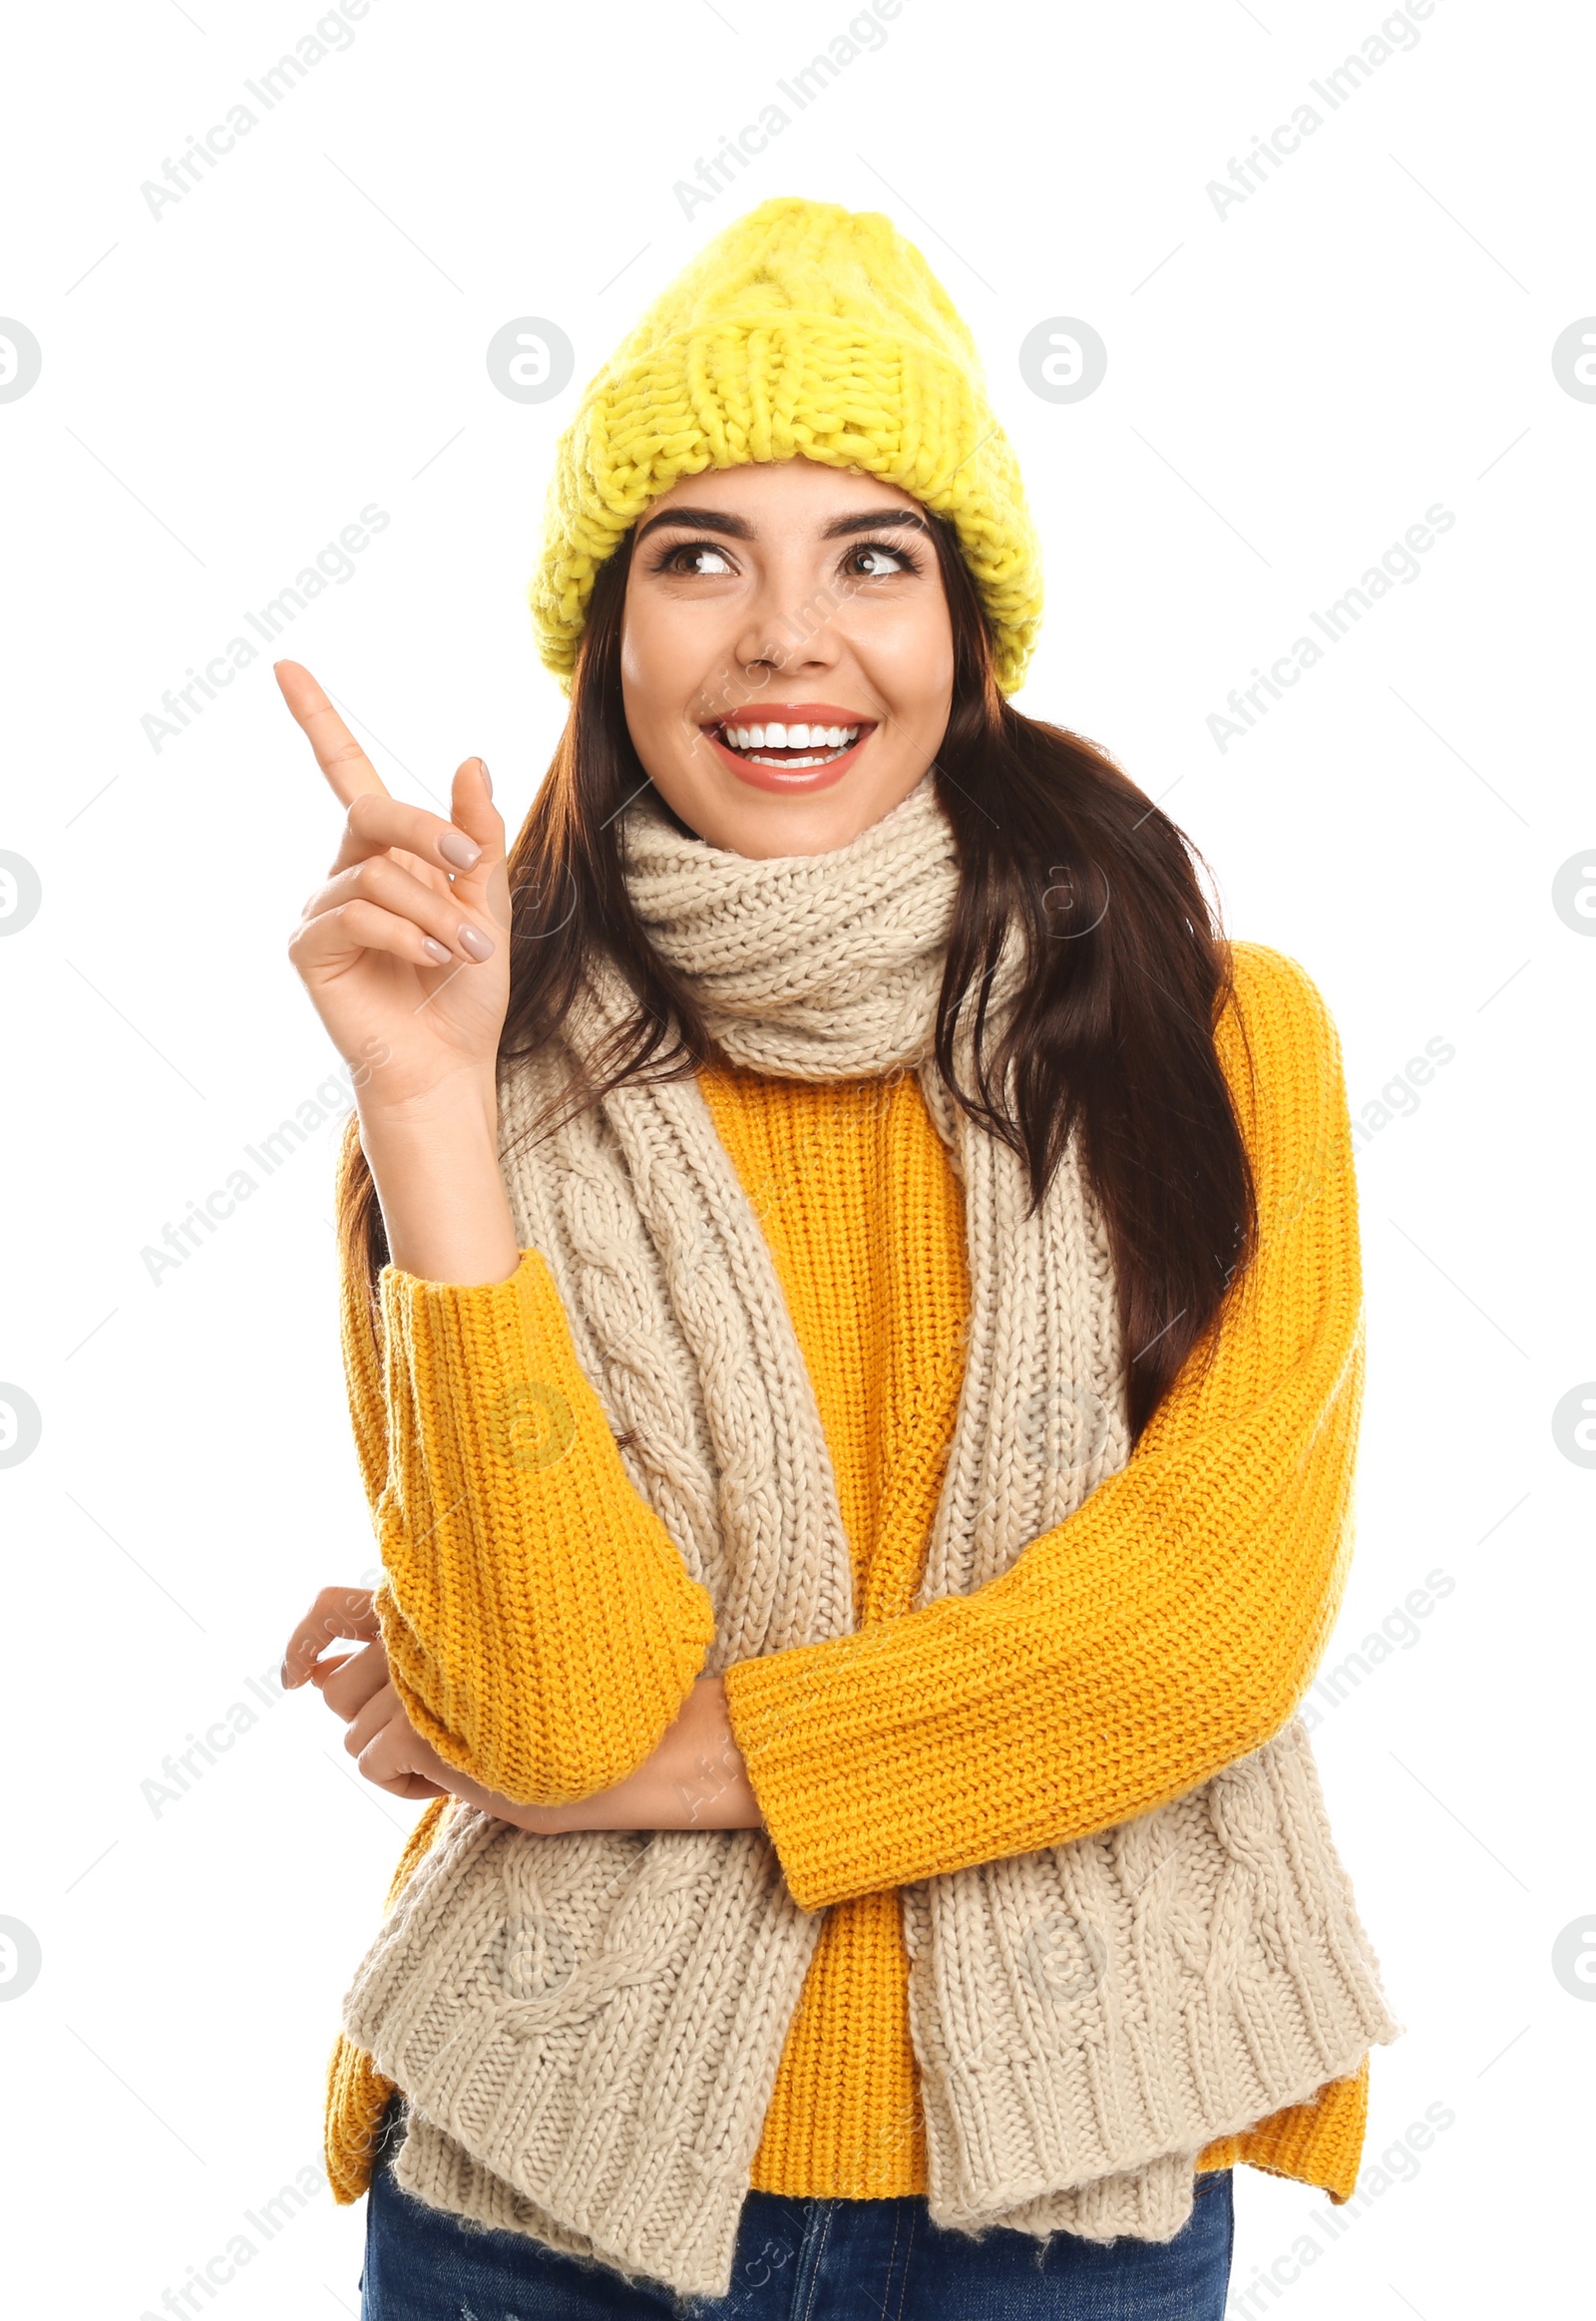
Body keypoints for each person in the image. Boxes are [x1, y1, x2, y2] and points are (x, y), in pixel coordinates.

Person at [275, 195, 1396, 2320]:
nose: (784, 637)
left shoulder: (1227, 1039)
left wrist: (567, 1765)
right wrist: (429, 1114)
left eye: (869, 556)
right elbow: (549, 1690)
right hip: (537, 2182)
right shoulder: (470, 1074)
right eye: (697, 555)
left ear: (970, 635)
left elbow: (1192, 1644)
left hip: (1056, 2209)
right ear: (605, 633)